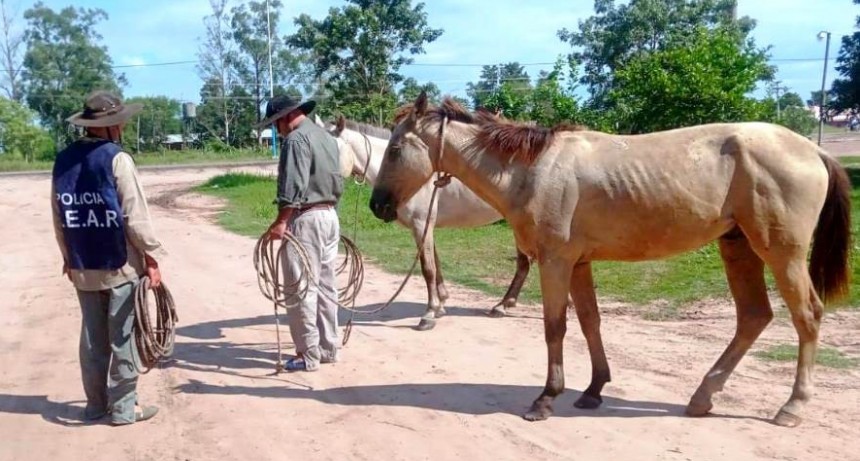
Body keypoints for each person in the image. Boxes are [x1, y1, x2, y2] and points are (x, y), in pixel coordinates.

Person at [51, 90, 166, 425]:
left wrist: (67, 256)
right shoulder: (117, 158)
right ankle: (124, 408)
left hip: (82, 264)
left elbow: (59, 216)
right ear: (112, 125)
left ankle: (95, 405)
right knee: (123, 337)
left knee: (92, 339)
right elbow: (135, 215)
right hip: (120, 266)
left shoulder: (63, 161)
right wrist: (152, 259)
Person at [259, 94, 343, 372]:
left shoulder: (296, 140)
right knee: (326, 287)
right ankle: (328, 348)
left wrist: (282, 221)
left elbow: (293, 186)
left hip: (305, 218)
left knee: (300, 289)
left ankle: (308, 354)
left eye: (275, 125)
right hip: (329, 216)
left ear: (284, 118)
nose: (276, 131)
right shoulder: (326, 137)